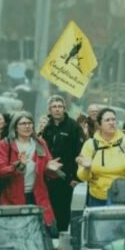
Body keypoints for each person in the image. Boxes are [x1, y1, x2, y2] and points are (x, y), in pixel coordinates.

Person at [0, 112, 63, 232]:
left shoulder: (40, 143)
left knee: (43, 233)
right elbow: (1, 171)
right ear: (15, 127)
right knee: (16, 234)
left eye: (29, 123)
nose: (27, 126)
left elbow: (47, 172)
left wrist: (51, 169)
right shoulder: (6, 144)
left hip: (37, 197)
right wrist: (19, 165)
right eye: (23, 123)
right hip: (12, 199)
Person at [76, 108, 125, 207]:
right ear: (99, 125)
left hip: (122, 197)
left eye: (113, 119)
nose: (112, 123)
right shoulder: (90, 144)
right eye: (107, 120)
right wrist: (87, 168)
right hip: (97, 198)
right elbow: (82, 177)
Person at [40, 95, 82, 231]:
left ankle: (62, 237)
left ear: (64, 109)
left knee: (64, 211)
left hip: (67, 177)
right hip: (49, 176)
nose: (57, 109)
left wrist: (75, 177)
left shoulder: (73, 126)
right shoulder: (47, 127)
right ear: (49, 110)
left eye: (60, 107)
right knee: (49, 210)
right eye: (54, 107)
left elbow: (80, 153)